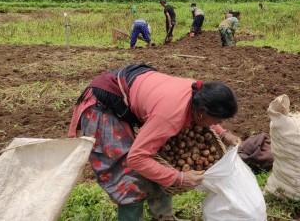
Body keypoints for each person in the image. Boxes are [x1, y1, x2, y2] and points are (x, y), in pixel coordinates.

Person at [68, 64, 242, 221]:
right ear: (202, 113)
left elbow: (205, 117)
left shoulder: (198, 94)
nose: (216, 125)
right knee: (126, 174)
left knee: (159, 162)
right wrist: (178, 177)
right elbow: (136, 158)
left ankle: (163, 217)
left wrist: (223, 134)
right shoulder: (170, 116)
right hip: (103, 107)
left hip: (127, 96)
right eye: (216, 122)